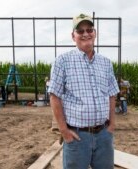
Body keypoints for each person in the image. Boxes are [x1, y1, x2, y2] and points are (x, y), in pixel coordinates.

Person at [48, 13, 119, 169]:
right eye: (80, 31)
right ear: (73, 36)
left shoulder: (106, 63)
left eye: (89, 29)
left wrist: (112, 125)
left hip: (103, 135)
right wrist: (64, 131)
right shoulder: (62, 61)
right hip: (77, 137)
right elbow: (54, 96)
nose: (86, 34)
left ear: (95, 33)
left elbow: (112, 94)